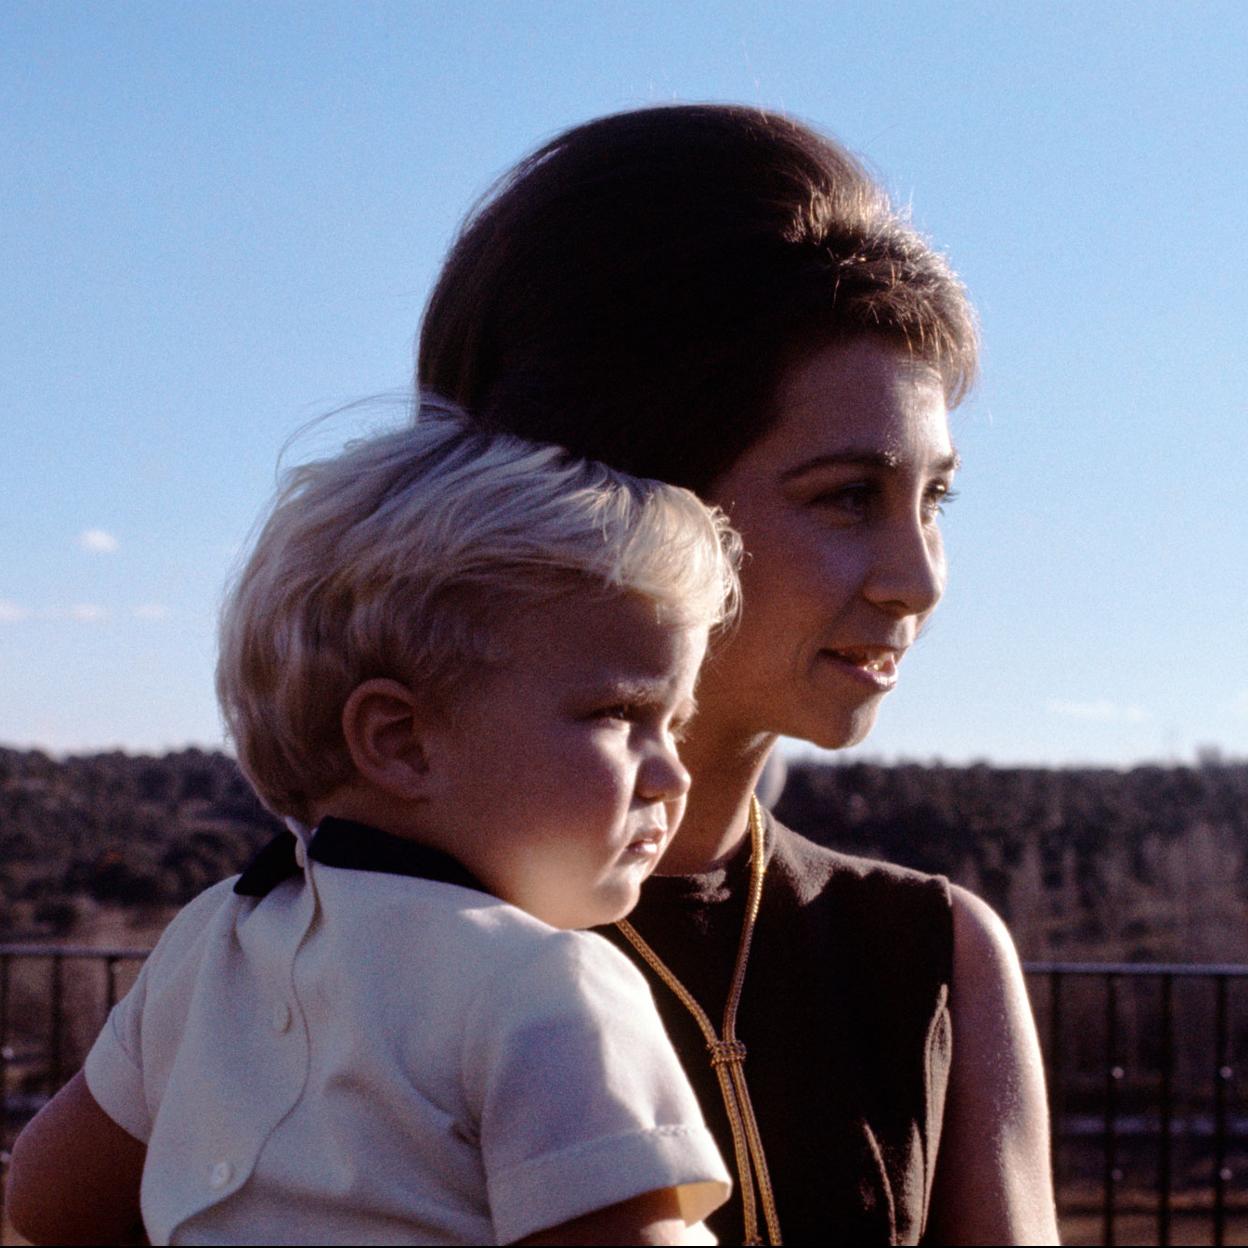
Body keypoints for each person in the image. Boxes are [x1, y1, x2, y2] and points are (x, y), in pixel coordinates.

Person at [419, 104, 1060, 1245]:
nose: (919, 579)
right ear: (617, 503)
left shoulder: (936, 952)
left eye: (936, 500)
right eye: (847, 496)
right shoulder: (354, 947)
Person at [7, 405, 743, 1245]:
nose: (673, 772)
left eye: (675, 725)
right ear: (401, 741)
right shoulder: (551, 991)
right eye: (622, 713)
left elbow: (49, 1198)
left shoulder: (217, 939)